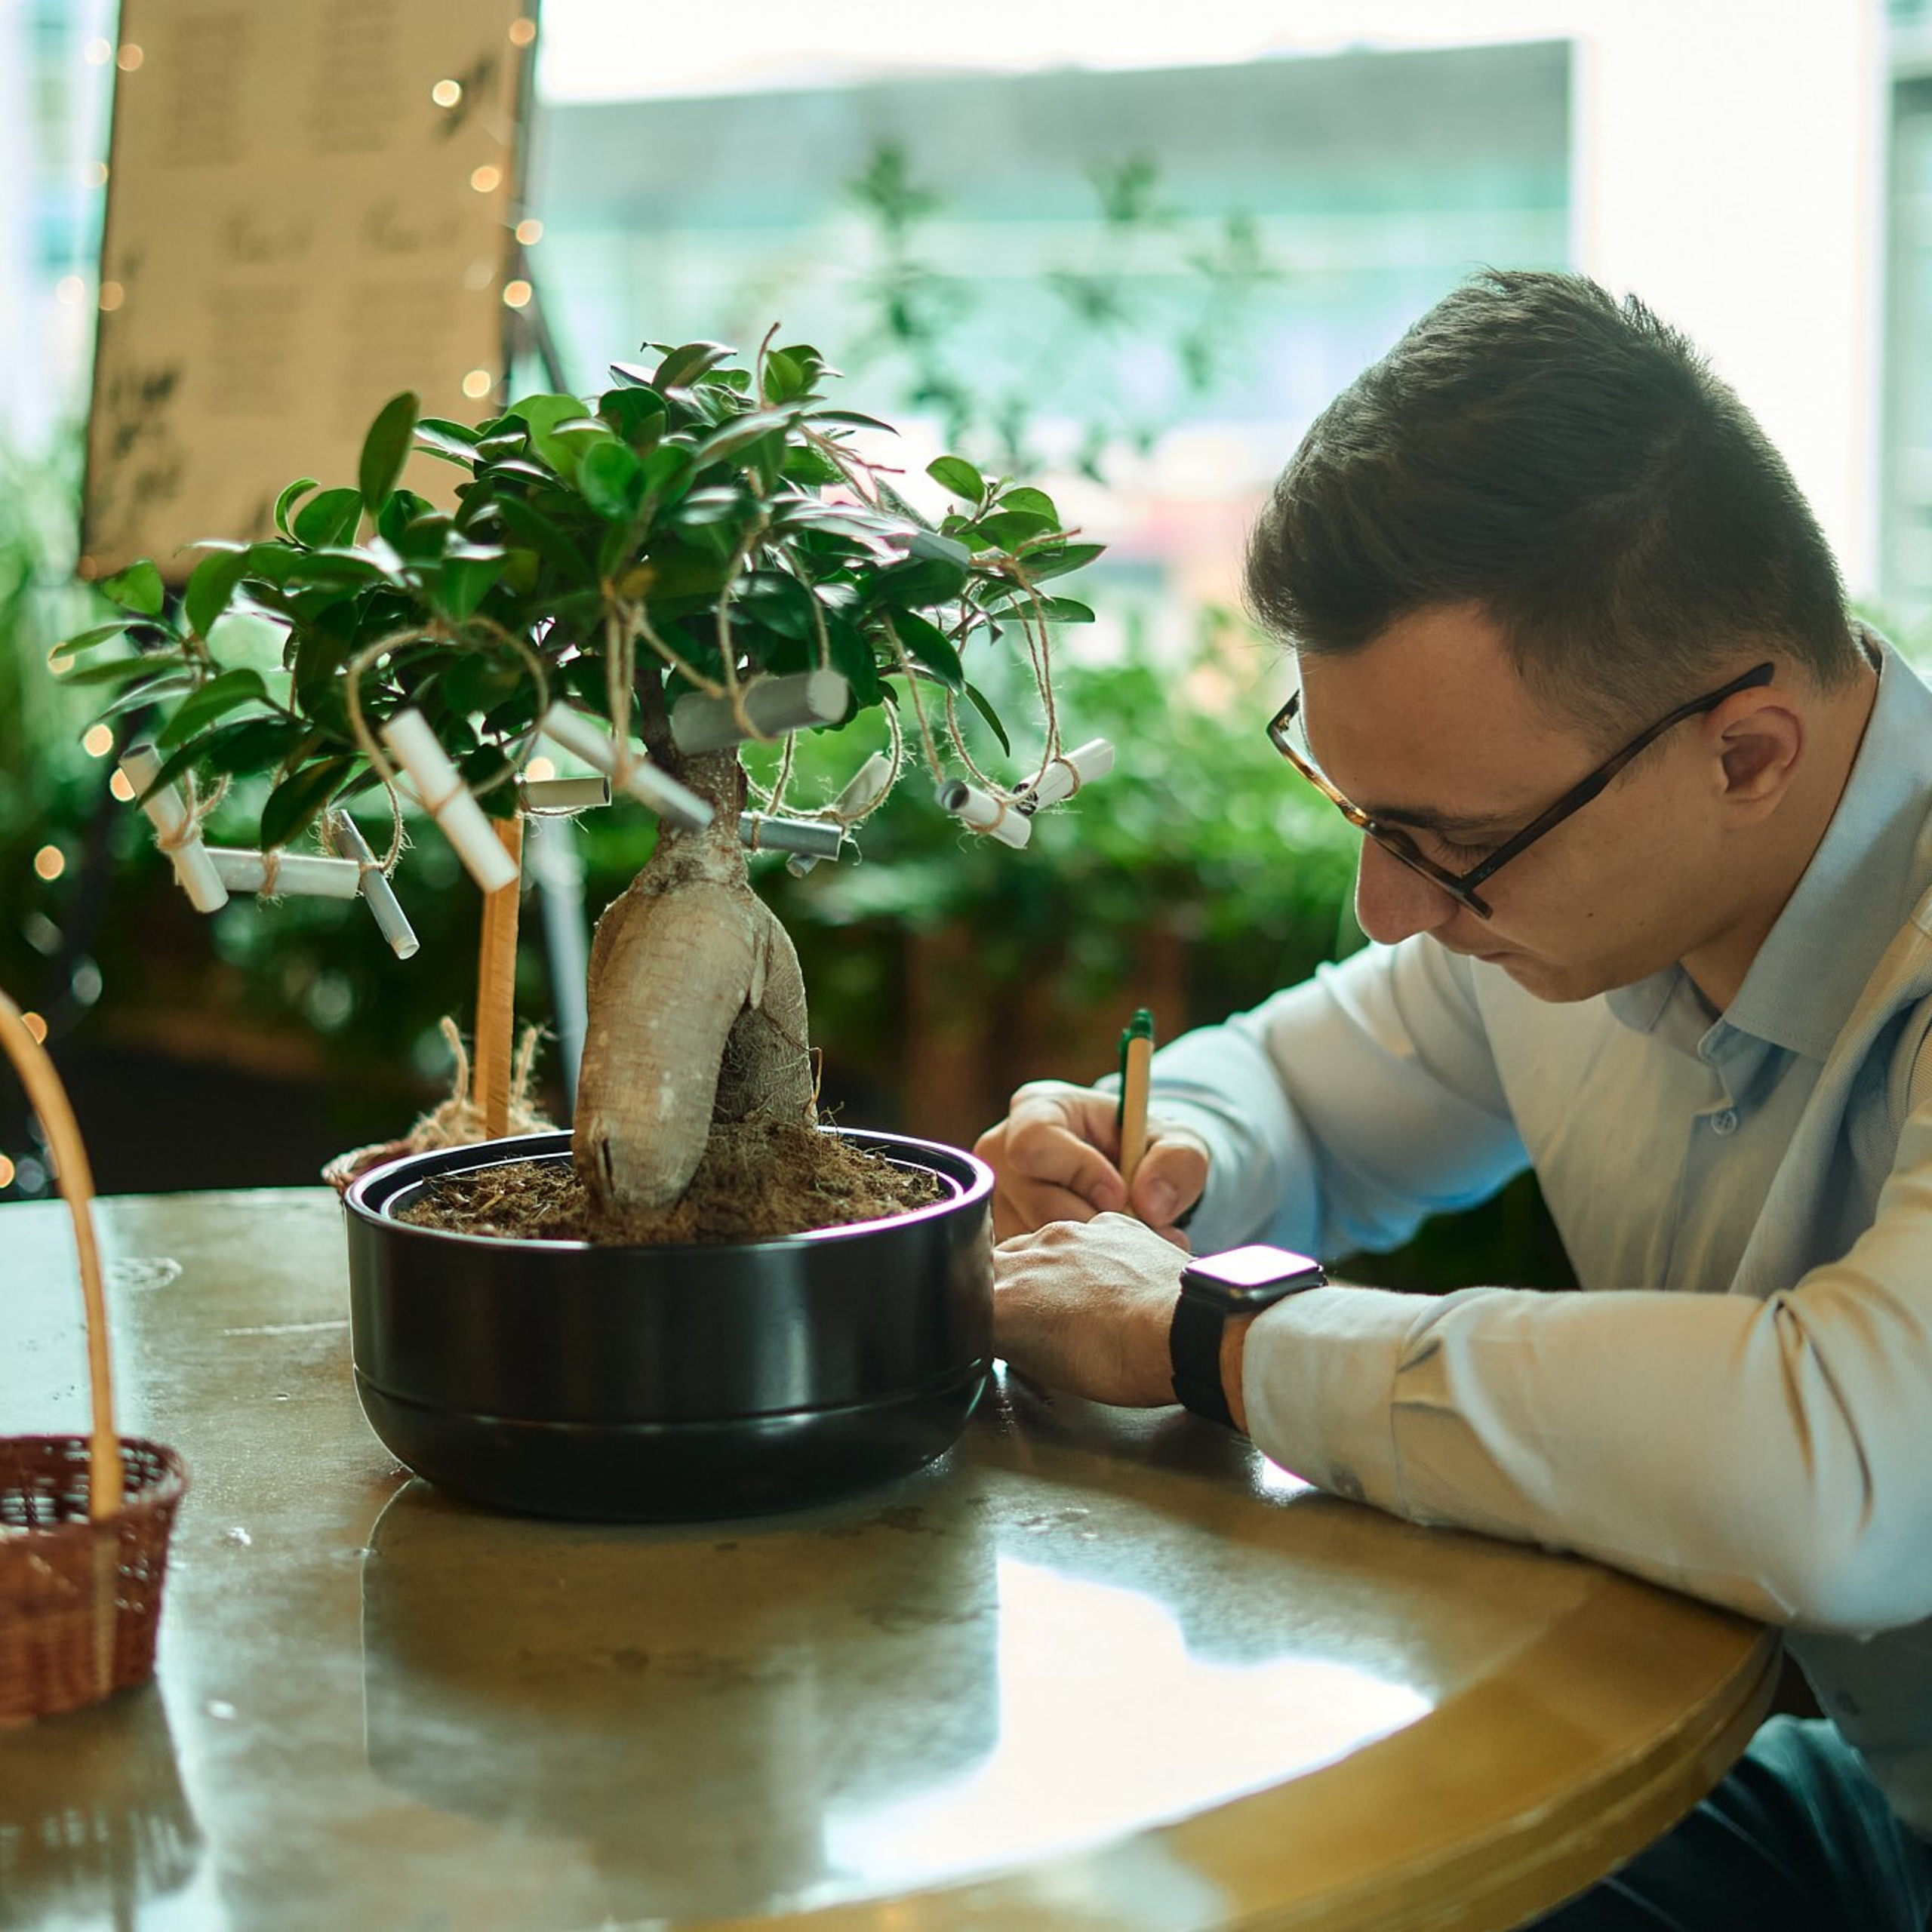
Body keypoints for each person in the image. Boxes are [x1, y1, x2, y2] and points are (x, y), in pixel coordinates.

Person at [978, 268, 1932, 1927]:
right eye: (1352, 807)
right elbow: (1302, 1086)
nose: (1388, 904)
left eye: (1445, 838)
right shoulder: (1572, 915)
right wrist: (1155, 1160)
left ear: (1748, 751)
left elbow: (1839, 1470)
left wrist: (1210, 1334)